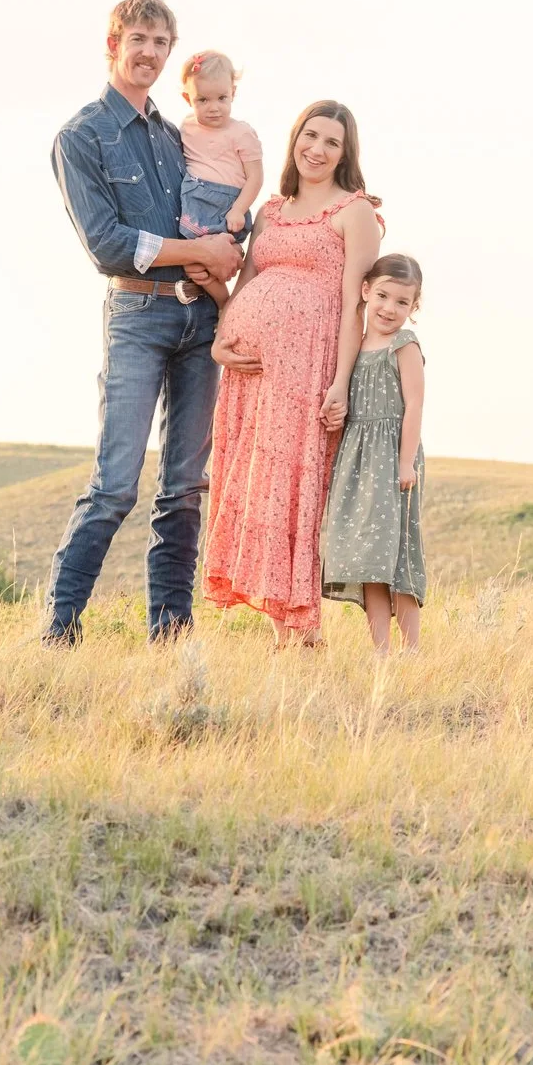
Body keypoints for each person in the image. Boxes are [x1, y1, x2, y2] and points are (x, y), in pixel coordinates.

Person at [45, 0, 245, 645]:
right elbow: (107, 243)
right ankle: (59, 628)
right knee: (115, 483)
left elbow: (221, 205)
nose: (150, 53)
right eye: (139, 39)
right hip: (136, 316)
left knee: (185, 485)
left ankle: (171, 632)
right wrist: (201, 252)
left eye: (162, 42)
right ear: (113, 44)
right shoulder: (81, 137)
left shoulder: (177, 134)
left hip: (200, 325)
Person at [202, 100, 383, 646]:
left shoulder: (356, 213)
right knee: (262, 487)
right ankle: (283, 629)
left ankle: (303, 630)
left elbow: (357, 305)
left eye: (332, 142)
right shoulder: (273, 211)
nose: (318, 149)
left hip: (309, 370)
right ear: (294, 140)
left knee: (296, 486)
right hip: (251, 374)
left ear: (345, 153)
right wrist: (220, 339)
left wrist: (341, 382)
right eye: (311, 136)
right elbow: (249, 281)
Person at [321, 254, 428, 654]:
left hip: (393, 460)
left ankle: (411, 650)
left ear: (413, 308)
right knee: (368, 557)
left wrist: (405, 463)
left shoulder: (404, 344)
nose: (389, 308)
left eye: (402, 302)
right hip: (357, 462)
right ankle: (381, 652)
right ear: (366, 291)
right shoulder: (354, 344)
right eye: (383, 296)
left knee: (396, 556)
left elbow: (414, 404)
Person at [175, 51, 262, 240]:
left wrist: (239, 209)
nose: (214, 107)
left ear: (233, 93)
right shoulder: (187, 127)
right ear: (187, 98)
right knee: (193, 256)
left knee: (220, 252)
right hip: (193, 203)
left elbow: (255, 177)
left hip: (227, 206)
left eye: (222, 98)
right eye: (203, 100)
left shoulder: (241, 133)